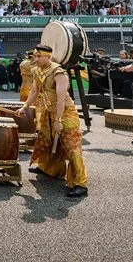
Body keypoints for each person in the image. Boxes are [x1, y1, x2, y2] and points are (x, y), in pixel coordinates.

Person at [22, 44, 88, 198]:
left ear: (48, 56)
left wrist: (58, 120)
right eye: (35, 56)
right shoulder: (37, 70)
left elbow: (61, 99)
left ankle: (79, 183)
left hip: (65, 112)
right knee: (47, 140)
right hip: (48, 111)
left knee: (72, 146)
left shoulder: (59, 72)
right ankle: (49, 169)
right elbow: (34, 91)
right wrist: (25, 107)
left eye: (39, 56)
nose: (35, 59)